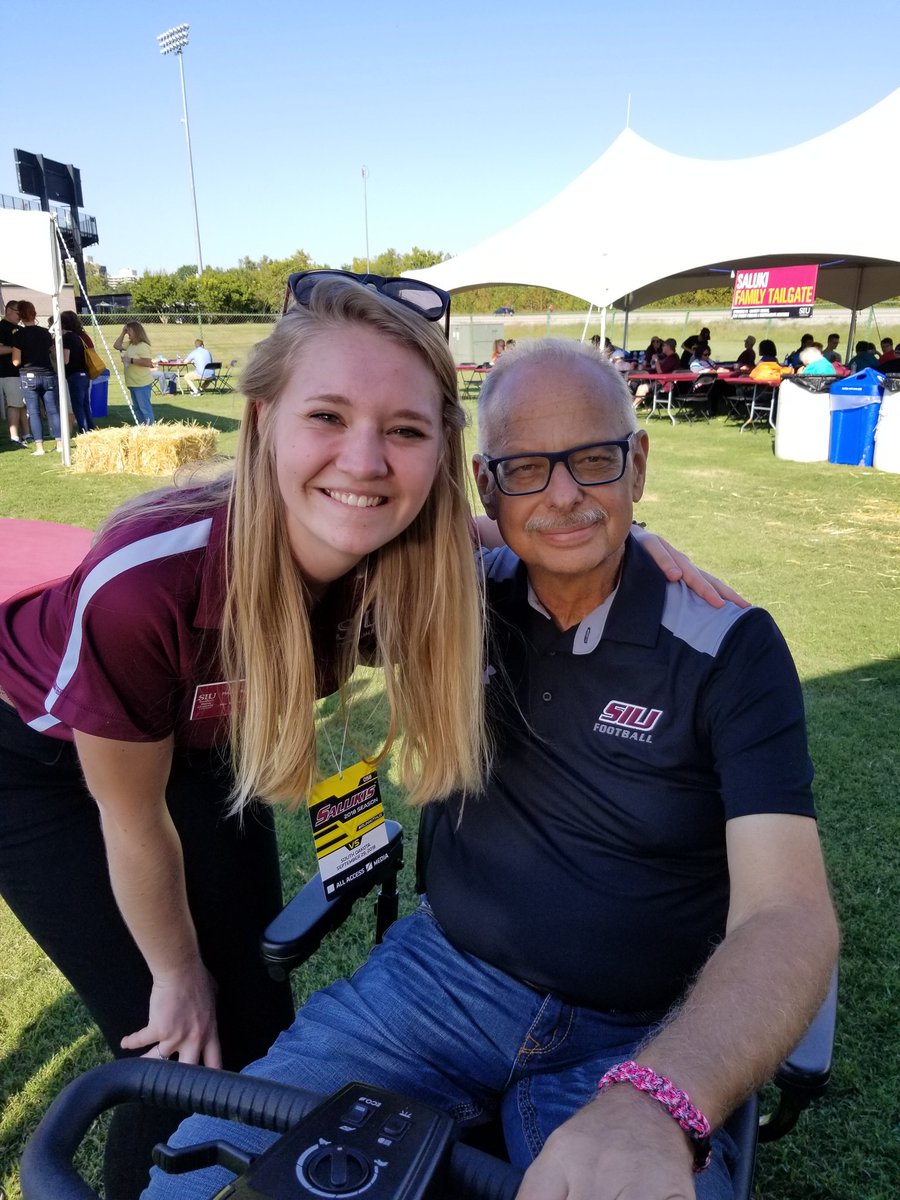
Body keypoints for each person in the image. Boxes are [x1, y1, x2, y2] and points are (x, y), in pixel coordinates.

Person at [146, 340, 838, 1200]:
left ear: (639, 463)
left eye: (594, 460)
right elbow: (320, 530)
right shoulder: (451, 599)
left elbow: (789, 916)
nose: (563, 495)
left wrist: (659, 1099)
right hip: (436, 984)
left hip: (641, 1029)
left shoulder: (727, 645)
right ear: (483, 483)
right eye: (524, 469)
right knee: (197, 1172)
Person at [0, 273, 488, 1199]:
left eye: (406, 429)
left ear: (440, 448)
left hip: (196, 738)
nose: (366, 460)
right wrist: (176, 971)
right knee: (179, 1037)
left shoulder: (416, 560)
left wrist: (640, 546)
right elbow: (131, 816)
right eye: (329, 416)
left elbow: (533, 540)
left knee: (261, 1023)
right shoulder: (149, 582)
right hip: (44, 766)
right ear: (262, 421)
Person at [9, 300, 61, 456]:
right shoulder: (45, 333)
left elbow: (16, 361)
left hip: (28, 375)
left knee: (34, 412)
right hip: (47, 374)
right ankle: (60, 443)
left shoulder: (19, 335)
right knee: (52, 411)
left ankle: (40, 447)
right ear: (34, 314)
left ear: (20, 316)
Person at [59, 310, 96, 434]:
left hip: (74, 375)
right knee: (85, 404)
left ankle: (83, 430)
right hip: (84, 374)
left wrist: (54, 353)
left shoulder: (67, 338)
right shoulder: (80, 337)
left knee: (77, 405)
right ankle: (90, 428)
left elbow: (65, 360)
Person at [113, 321, 156, 424]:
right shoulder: (130, 344)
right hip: (132, 382)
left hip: (141, 383)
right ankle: (142, 426)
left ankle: (150, 428)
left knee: (144, 408)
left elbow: (147, 362)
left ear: (136, 331)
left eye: (129, 331)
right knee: (137, 408)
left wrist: (131, 360)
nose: (128, 334)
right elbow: (117, 345)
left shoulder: (143, 346)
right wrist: (123, 332)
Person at [0, 298, 29, 444]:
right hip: (8, 372)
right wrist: (16, 349)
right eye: (18, 312)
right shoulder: (2, 327)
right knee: (14, 404)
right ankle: (14, 435)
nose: (20, 315)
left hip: (24, 371)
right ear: (9, 311)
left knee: (23, 405)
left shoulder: (22, 329)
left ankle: (27, 433)